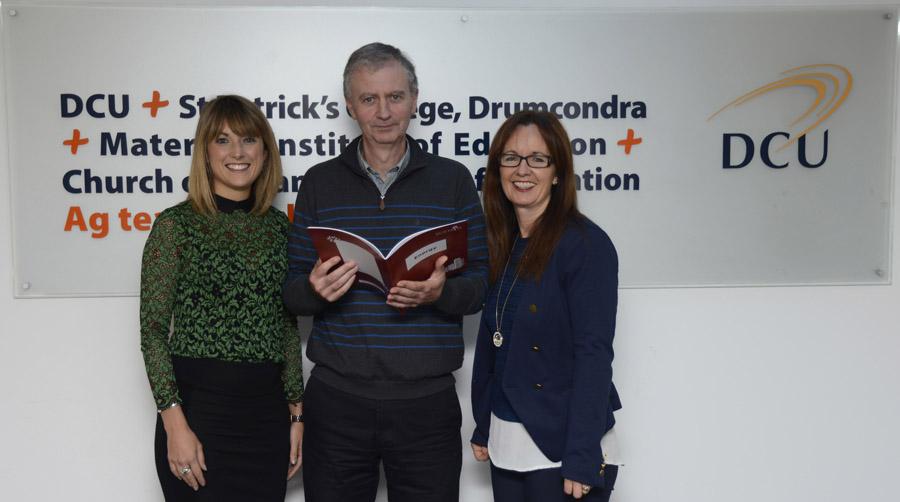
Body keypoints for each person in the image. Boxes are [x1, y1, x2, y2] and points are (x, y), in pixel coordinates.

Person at [282, 42, 487, 502]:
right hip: (336, 401)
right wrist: (314, 290)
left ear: (414, 100)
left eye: (394, 97)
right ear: (350, 106)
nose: (383, 112)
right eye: (369, 99)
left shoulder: (452, 180)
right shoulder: (319, 181)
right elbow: (292, 292)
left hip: (427, 403)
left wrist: (440, 294)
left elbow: (479, 286)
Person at [140, 94, 303, 501]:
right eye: (223, 140)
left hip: (265, 418)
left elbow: (285, 325)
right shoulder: (175, 227)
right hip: (199, 416)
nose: (237, 153)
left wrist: (296, 414)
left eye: (248, 140)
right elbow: (153, 332)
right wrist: (175, 424)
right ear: (205, 151)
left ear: (265, 152)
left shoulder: (280, 230)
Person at [470, 110, 621, 501]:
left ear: (558, 172)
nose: (523, 170)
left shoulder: (585, 245)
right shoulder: (500, 243)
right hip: (508, 441)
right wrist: (484, 424)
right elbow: (495, 344)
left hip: (562, 445)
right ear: (497, 169)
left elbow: (594, 354)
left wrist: (582, 455)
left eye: (538, 158)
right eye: (511, 158)